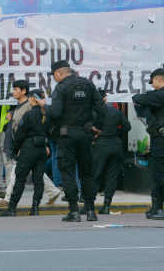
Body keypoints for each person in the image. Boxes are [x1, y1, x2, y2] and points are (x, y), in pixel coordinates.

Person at [48, 60, 105, 222]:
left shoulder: (61, 88)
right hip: (85, 135)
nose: (54, 79)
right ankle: (90, 211)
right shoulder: (88, 84)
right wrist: (96, 127)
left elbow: (56, 113)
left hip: (67, 136)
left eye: (54, 76)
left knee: (68, 172)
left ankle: (73, 211)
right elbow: (101, 109)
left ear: (59, 73)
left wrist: (47, 110)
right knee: (87, 173)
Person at [0, 81, 62, 209]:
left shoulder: (29, 107)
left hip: (26, 146)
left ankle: (10, 201)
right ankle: (49, 194)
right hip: (25, 144)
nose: (13, 92)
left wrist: (19, 147)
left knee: (18, 172)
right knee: (36, 174)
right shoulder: (19, 106)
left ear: (24, 91)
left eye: (16, 89)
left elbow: (28, 129)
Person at [132, 68, 164, 221]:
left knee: (163, 173)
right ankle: (156, 207)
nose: (152, 86)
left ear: (159, 80)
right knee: (159, 173)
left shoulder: (163, 94)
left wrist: (143, 103)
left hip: (162, 137)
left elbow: (139, 98)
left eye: (153, 83)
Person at [93, 89, 131, 215]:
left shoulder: (94, 112)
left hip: (101, 145)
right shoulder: (116, 111)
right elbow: (127, 127)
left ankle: (89, 205)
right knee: (112, 176)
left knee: (96, 174)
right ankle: (107, 205)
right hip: (116, 144)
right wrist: (116, 133)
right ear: (105, 98)